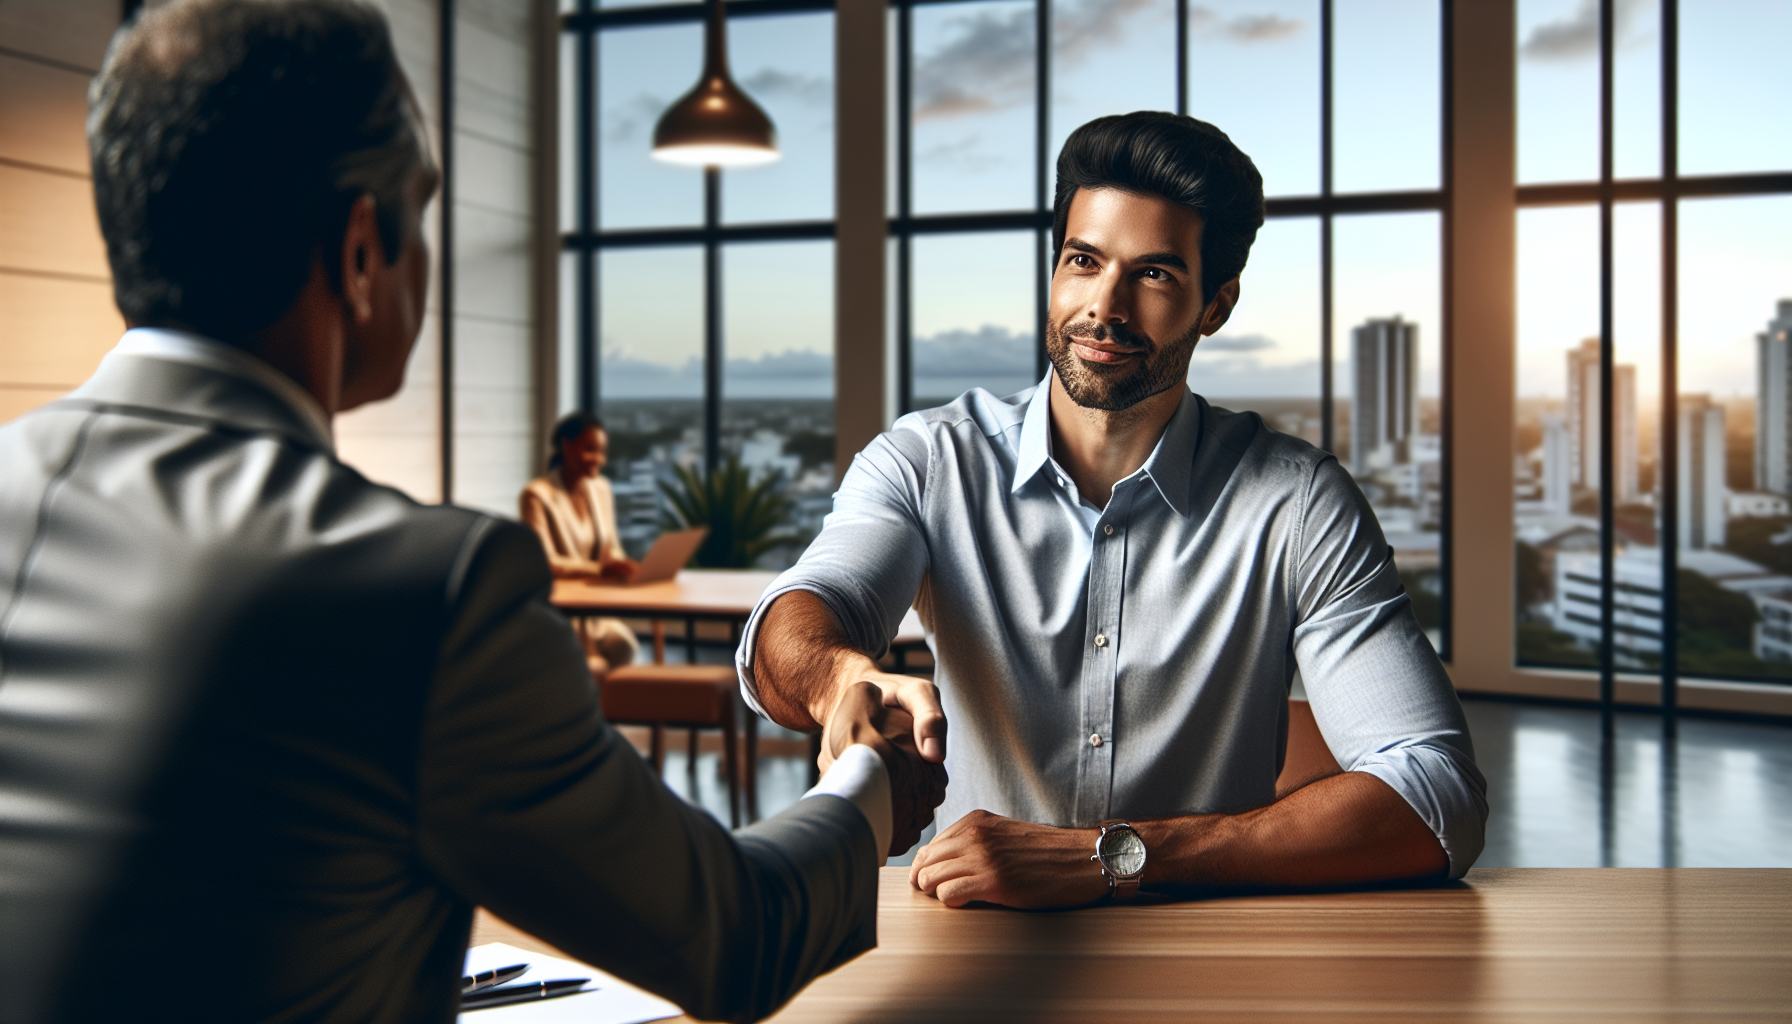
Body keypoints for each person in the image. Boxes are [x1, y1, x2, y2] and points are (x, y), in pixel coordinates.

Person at [0, 2, 943, 1022]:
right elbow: (732, 935)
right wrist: (869, 787)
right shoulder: (423, 591)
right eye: (422, 210)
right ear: (361, 252)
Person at [740, 111, 1487, 909]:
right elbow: (800, 616)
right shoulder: (929, 461)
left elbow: (1437, 793)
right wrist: (840, 680)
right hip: (970, 934)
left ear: (1216, 305)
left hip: (1209, 946)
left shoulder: (1297, 502)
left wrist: (1122, 857)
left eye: (1155, 274)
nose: (1106, 306)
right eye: (1083, 260)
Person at [521, 411, 641, 673]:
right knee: (593, 667)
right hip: (561, 610)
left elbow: (611, 546)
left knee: (625, 646)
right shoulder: (537, 496)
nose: (599, 459)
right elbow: (544, 562)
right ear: (566, 446)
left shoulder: (601, 488)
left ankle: (609, 700)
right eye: (590, 449)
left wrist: (621, 565)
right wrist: (599, 570)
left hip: (596, 606)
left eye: (602, 451)